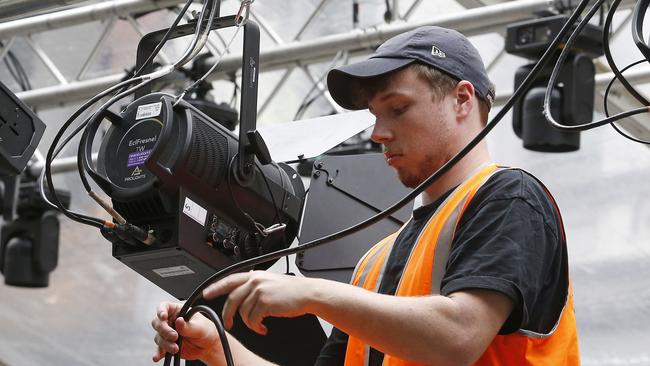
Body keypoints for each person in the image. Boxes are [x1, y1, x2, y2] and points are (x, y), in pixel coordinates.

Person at [151, 26, 580, 365]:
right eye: (375, 116)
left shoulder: (510, 196)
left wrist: (313, 294)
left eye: (397, 109)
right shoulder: (375, 263)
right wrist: (217, 350)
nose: (377, 133)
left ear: (462, 100)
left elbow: (460, 336)